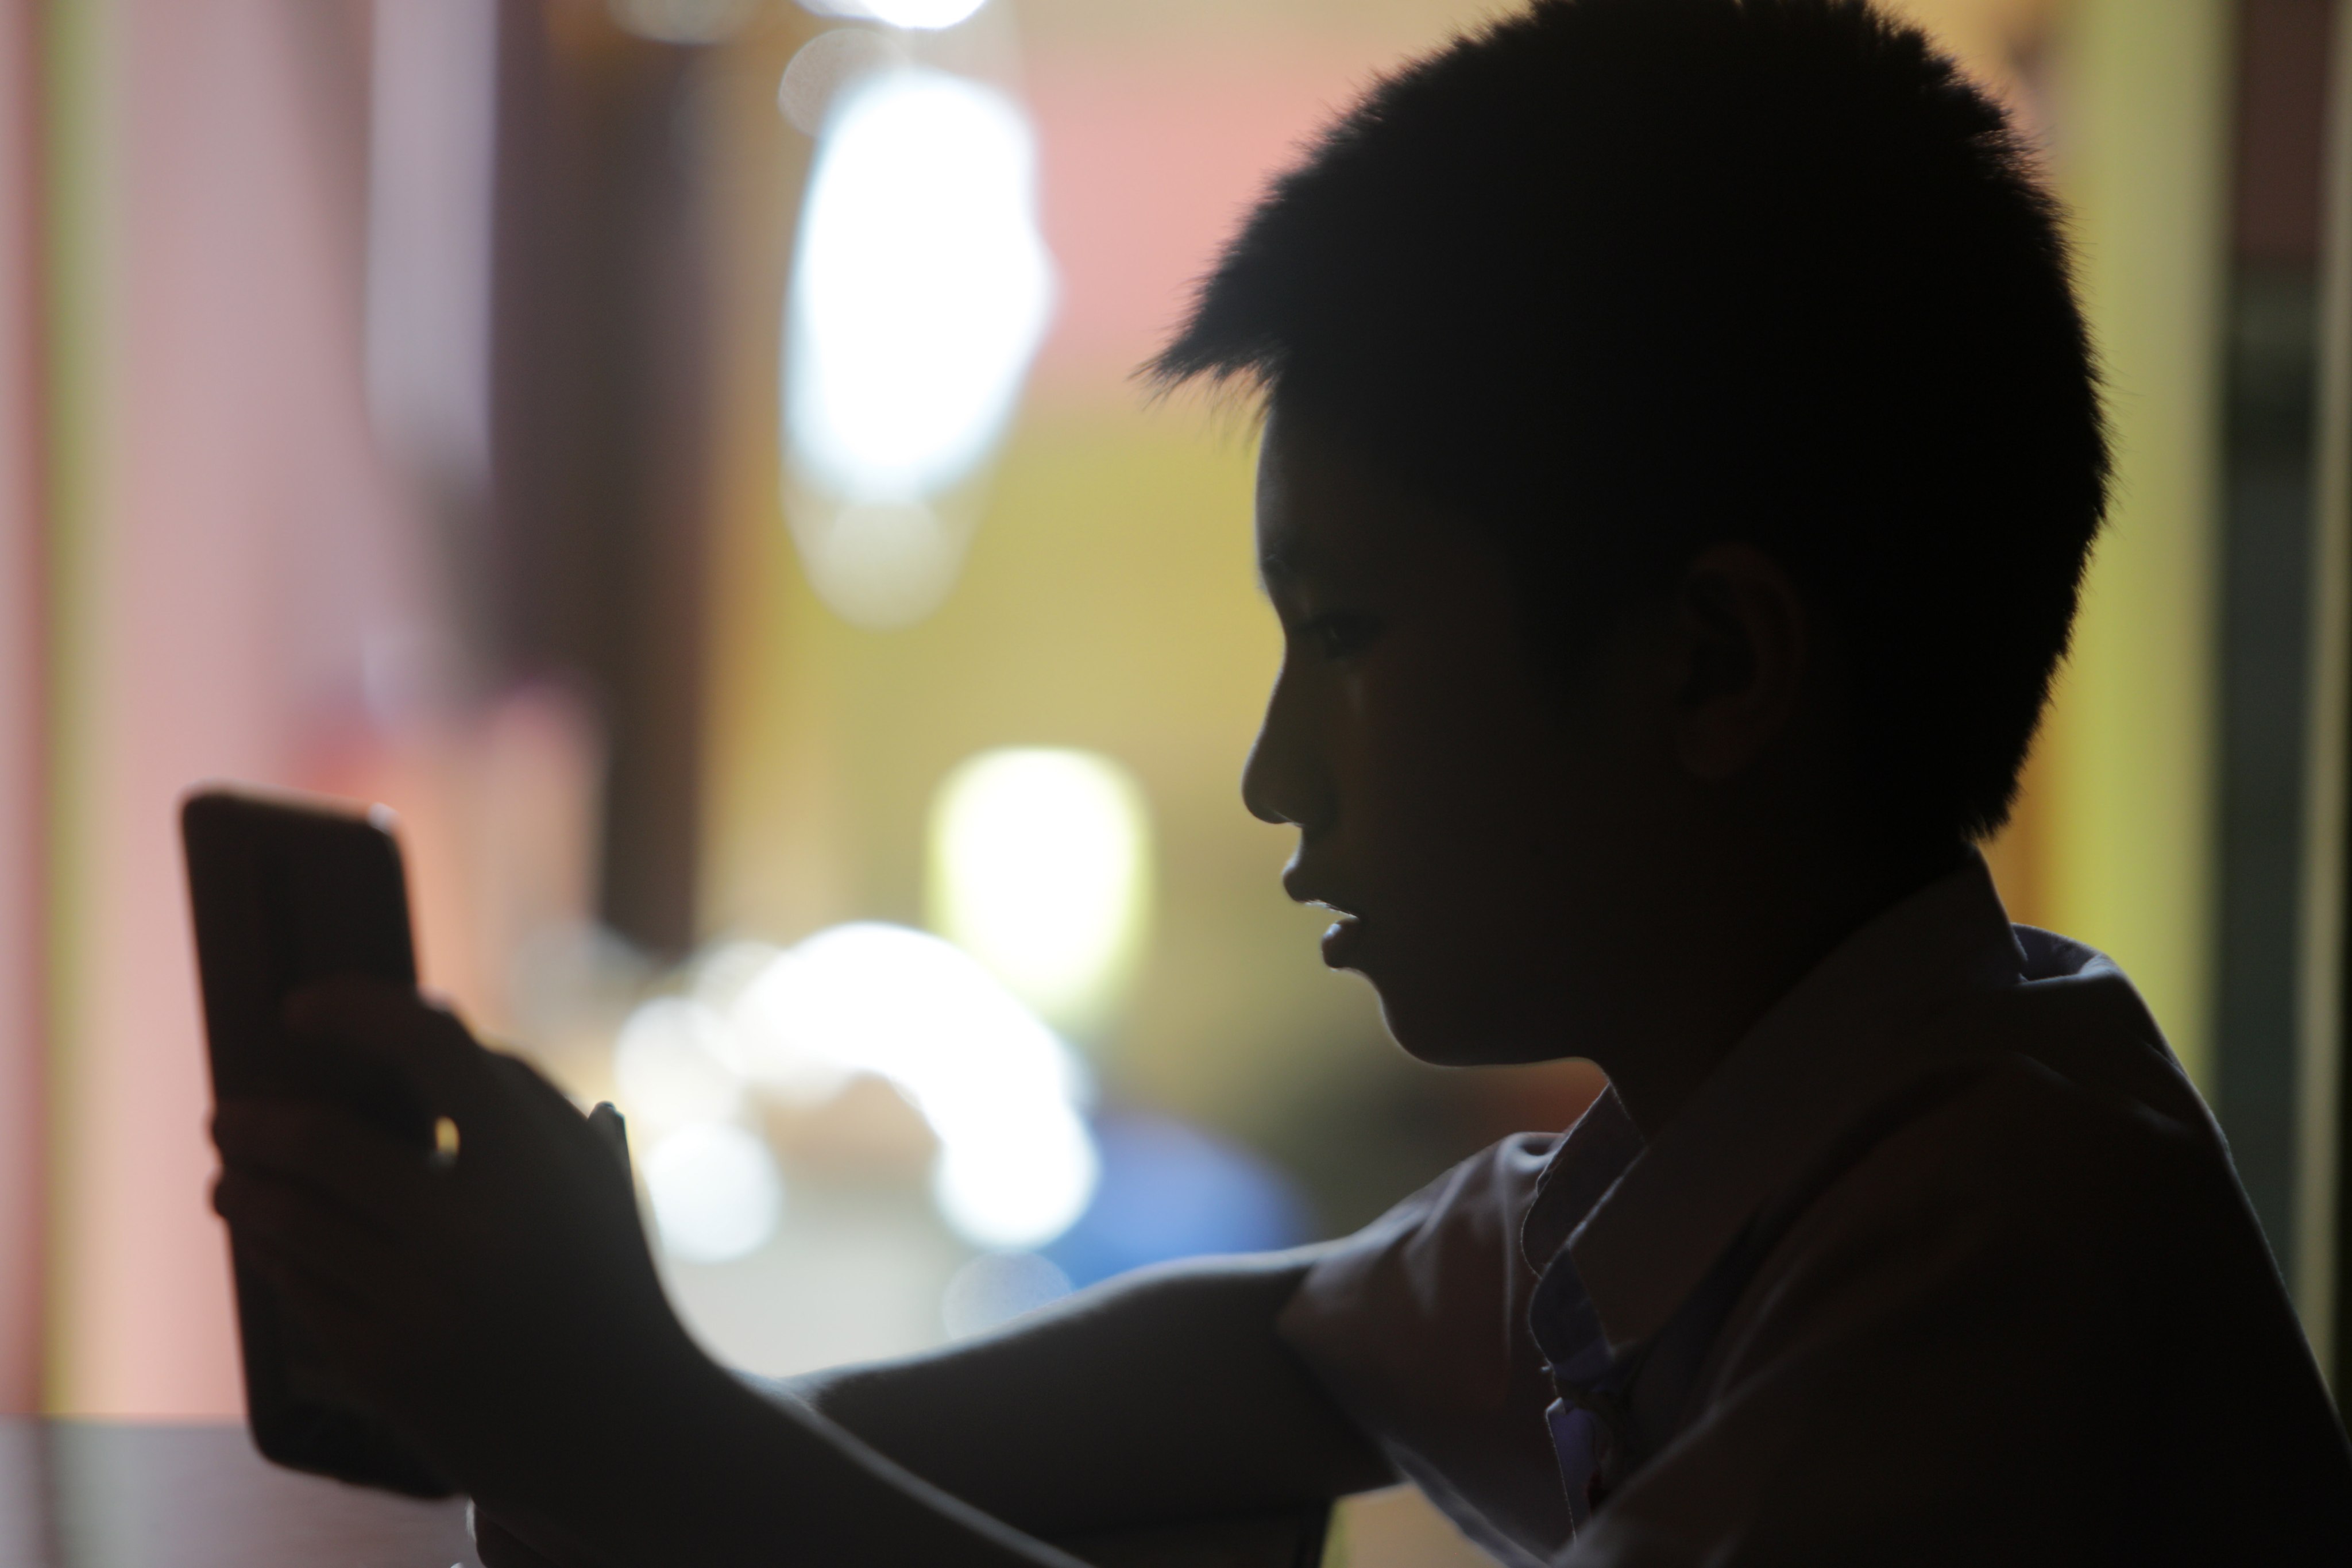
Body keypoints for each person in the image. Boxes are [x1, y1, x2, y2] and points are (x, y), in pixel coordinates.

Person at [210, 0, 2352, 1562]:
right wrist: (619, 1413)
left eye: (1342, 635)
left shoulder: (1999, 1286)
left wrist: (651, 1426)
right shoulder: (1755, 1156)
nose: (1264, 767)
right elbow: (1285, 1357)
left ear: (1712, 661)